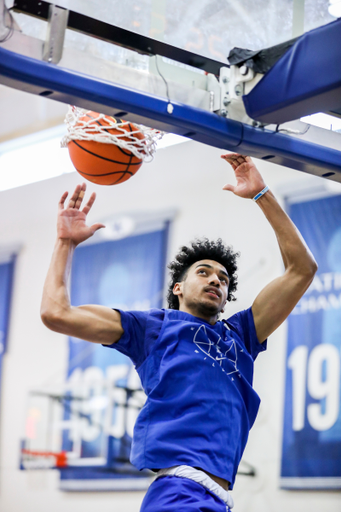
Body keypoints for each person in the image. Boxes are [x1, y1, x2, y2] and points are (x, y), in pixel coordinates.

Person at [41, 154, 317, 512]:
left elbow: (303, 269)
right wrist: (65, 243)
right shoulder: (152, 329)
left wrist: (261, 192)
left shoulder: (242, 335)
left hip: (221, 497)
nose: (216, 279)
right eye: (203, 272)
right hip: (179, 490)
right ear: (178, 289)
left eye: (223, 278)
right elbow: (56, 313)